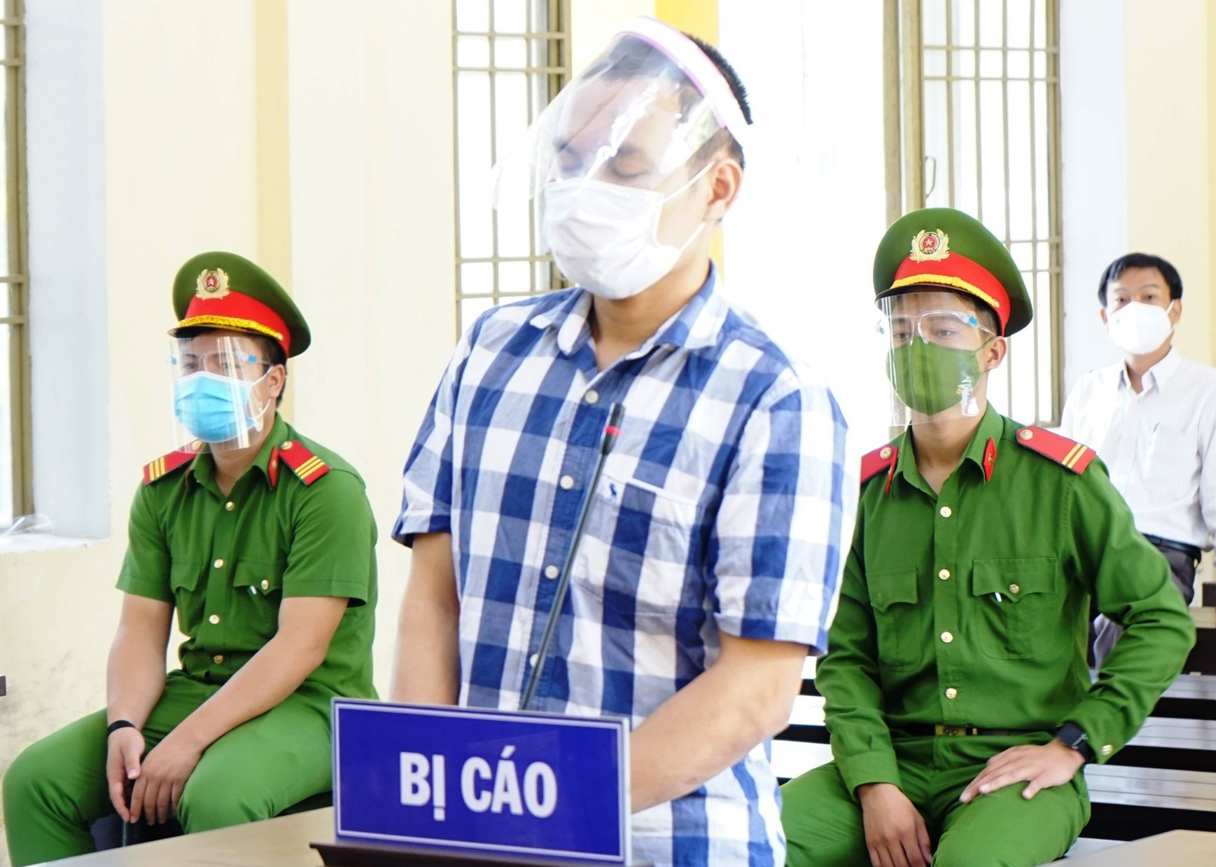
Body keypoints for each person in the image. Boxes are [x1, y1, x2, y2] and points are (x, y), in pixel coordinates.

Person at [390, 18, 852, 865]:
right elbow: (435, 598)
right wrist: (430, 804)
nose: (584, 188)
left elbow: (757, 685)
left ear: (717, 189)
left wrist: (557, 802)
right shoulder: (489, 354)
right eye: (570, 161)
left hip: (671, 841)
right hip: (480, 838)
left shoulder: (775, 400)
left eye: (625, 166)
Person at [780, 209, 1196, 867]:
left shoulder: (1061, 483)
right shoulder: (867, 494)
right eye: (901, 331)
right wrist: (874, 782)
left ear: (992, 351)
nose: (918, 347)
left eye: (943, 330)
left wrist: (1074, 744)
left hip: (1017, 774)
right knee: (747, 842)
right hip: (892, 764)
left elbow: (1161, 619)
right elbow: (847, 660)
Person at [2, 252, 378, 866]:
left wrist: (186, 742)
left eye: (226, 363)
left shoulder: (324, 490)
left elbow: (300, 648)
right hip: (197, 689)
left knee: (217, 797)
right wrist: (125, 725)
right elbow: (138, 631)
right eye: (191, 363)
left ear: (273, 381)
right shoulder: (163, 490)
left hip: (311, 706)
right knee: (35, 782)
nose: (204, 378)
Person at [1060, 252, 1216, 667]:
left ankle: (1103, 710)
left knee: (1128, 624)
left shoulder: (1211, 391)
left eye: (1149, 297)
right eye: (1122, 300)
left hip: (1160, 554)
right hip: (1084, 548)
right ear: (1105, 316)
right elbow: (1062, 484)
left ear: (1174, 310)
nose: (1135, 308)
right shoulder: (1088, 391)